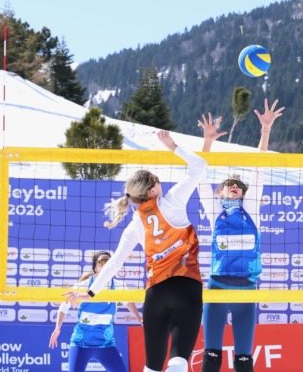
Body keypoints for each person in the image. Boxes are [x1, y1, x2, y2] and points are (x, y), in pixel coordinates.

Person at [63, 130, 207, 372]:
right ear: (151, 190)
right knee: (178, 360)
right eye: (158, 179)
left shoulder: (134, 225)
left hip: (156, 294)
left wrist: (91, 292)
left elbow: (115, 263)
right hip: (186, 286)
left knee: (152, 367)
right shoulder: (172, 200)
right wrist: (173, 146)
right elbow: (200, 165)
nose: (161, 182)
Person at [198, 99, 284, 372]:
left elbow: (259, 169)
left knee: (244, 362)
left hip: (246, 290)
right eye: (227, 185)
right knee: (211, 358)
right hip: (217, 289)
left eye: (237, 185)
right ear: (220, 193)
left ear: (244, 194)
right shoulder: (215, 214)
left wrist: (266, 129)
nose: (233, 186)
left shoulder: (251, 212)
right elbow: (200, 178)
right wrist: (207, 141)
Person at [50, 250, 143, 371]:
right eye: (102, 261)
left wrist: (138, 317)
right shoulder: (83, 286)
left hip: (105, 344)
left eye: (109, 262)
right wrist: (57, 327)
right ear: (95, 267)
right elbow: (64, 306)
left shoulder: (119, 286)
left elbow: (128, 301)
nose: (106, 264)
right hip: (81, 344)